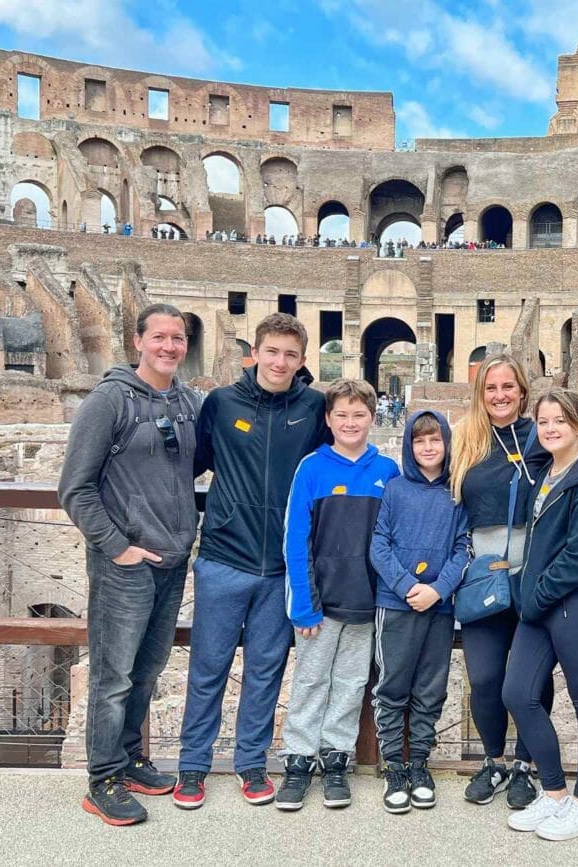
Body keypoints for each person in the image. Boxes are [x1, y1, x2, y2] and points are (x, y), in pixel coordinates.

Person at [173, 314, 329, 810]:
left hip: (282, 567)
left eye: (290, 354)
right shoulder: (221, 403)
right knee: (208, 667)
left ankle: (250, 762)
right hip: (224, 557)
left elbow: (331, 466)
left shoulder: (313, 408)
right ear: (255, 353)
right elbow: (189, 466)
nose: (280, 361)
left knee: (266, 669)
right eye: (272, 351)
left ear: (301, 360)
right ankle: (193, 766)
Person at [58, 303, 202, 826]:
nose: (169, 347)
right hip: (125, 562)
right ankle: (103, 779)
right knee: (113, 674)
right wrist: (117, 545)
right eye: (159, 337)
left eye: (178, 338)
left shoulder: (189, 402)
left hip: (172, 558)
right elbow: (74, 488)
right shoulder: (109, 401)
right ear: (138, 341)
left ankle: (131, 761)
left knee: (146, 671)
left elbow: (194, 464)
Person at [277, 379, 399, 811]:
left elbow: (395, 538)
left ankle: (335, 759)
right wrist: (304, 606)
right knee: (310, 680)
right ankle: (298, 759)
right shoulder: (312, 468)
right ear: (328, 419)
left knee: (350, 684)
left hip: (366, 602)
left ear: (372, 417)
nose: (350, 422)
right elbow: (295, 539)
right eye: (342, 415)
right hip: (321, 604)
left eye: (359, 415)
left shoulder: (386, 471)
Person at [503, 389, 578, 842]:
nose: (550, 429)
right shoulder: (547, 469)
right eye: (544, 421)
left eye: (560, 421)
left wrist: (534, 597)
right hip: (542, 602)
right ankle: (553, 793)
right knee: (518, 693)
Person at [449, 353, 551, 809]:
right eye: (491, 388)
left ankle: (526, 767)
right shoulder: (466, 438)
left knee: (530, 680)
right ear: (480, 393)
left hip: (533, 574)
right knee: (486, 677)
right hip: (483, 575)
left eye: (508, 387)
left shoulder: (541, 437)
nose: (500, 395)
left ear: (523, 391)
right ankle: (494, 761)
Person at [370, 410, 470, 814]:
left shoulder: (456, 493)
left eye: (435, 440)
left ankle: (418, 763)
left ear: (446, 444)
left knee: (430, 689)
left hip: (438, 608)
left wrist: (438, 589)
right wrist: (408, 586)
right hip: (396, 603)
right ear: (410, 446)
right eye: (419, 440)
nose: (428, 448)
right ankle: (394, 764)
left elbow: (464, 548)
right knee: (393, 687)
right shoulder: (394, 489)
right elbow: (379, 544)